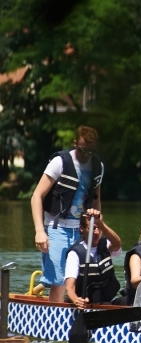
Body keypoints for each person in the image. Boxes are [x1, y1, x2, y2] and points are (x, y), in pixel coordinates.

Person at [30, 125, 104, 302]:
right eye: (82, 150)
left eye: (90, 151)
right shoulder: (60, 162)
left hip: (81, 230)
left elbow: (96, 201)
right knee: (59, 281)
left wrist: (98, 228)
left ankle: (77, 317)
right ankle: (55, 322)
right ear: (74, 143)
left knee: (81, 276)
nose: (86, 154)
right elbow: (36, 196)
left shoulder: (97, 166)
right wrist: (40, 231)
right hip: (57, 228)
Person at [64, 209, 122, 308]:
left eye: (99, 228)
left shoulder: (106, 244)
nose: (96, 232)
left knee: (128, 300)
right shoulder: (75, 254)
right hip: (85, 303)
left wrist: (100, 223)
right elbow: (70, 287)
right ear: (82, 229)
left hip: (106, 300)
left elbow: (117, 244)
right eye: (92, 228)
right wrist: (76, 300)